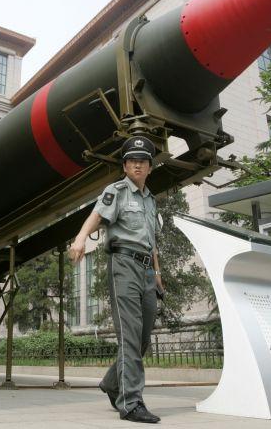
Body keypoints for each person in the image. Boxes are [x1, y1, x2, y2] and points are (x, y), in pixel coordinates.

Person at [69, 135, 163, 424]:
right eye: (132, 161)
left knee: (143, 337)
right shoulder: (117, 191)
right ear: (125, 166)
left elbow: (153, 241)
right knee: (130, 336)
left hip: (147, 270)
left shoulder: (151, 201)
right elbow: (96, 215)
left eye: (143, 161)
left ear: (149, 167)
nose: (138, 165)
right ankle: (130, 402)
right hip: (123, 265)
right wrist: (81, 238)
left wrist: (158, 274)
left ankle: (112, 383)